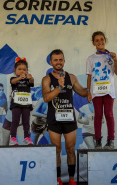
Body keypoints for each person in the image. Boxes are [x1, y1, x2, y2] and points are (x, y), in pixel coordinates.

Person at [42, 49, 87, 185]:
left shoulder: (71, 77)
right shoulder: (47, 79)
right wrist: (59, 87)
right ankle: (58, 180)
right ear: (51, 62)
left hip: (69, 119)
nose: (58, 62)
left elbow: (83, 92)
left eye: (60, 59)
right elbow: (46, 98)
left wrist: (92, 89)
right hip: (54, 120)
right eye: (55, 60)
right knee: (56, 149)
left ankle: (72, 180)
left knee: (70, 148)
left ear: (64, 61)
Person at [86, 31, 117, 150]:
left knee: (109, 114)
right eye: (97, 40)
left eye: (101, 39)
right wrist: (88, 91)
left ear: (105, 40)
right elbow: (89, 76)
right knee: (98, 115)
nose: (100, 42)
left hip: (108, 91)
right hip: (96, 91)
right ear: (93, 43)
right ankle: (98, 141)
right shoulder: (90, 59)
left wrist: (115, 59)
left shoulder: (111, 56)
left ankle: (110, 140)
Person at [9, 57, 34, 145]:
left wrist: (30, 78)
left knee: (26, 121)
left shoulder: (27, 80)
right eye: (19, 69)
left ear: (27, 70)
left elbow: (32, 82)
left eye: (24, 69)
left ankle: (27, 138)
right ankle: (13, 138)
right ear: (15, 70)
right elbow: (13, 82)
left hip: (26, 104)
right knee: (15, 121)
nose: (22, 71)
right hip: (16, 104)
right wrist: (19, 78)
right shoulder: (13, 78)